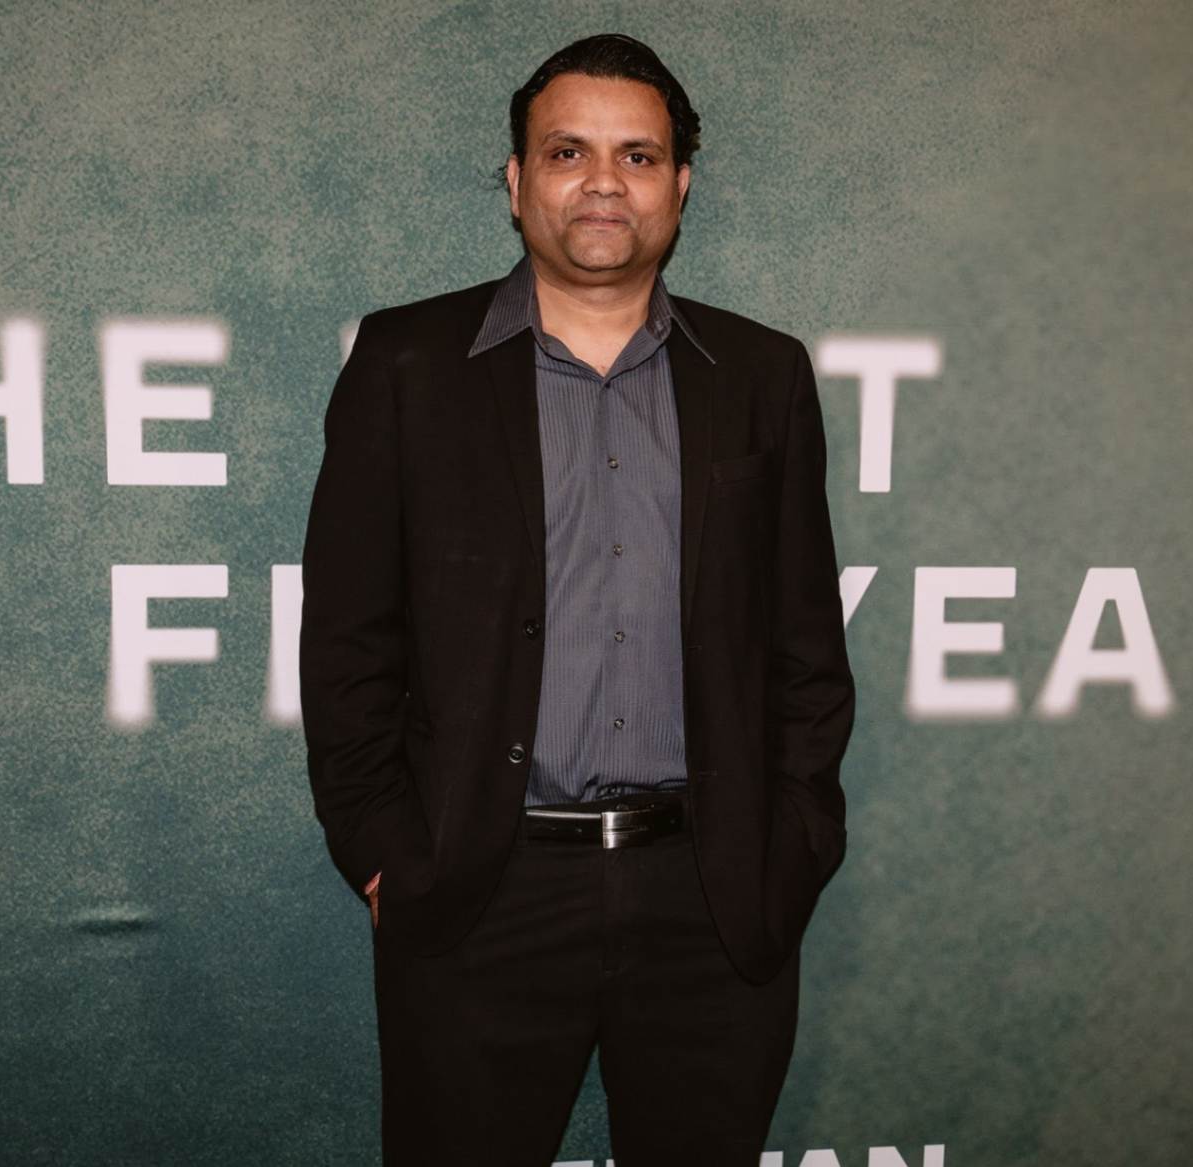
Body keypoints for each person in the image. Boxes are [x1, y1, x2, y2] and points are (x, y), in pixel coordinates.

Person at [299, 32, 856, 1167]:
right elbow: (348, 642)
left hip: (712, 897)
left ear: (679, 186)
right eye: (567, 151)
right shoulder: (405, 365)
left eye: (637, 156)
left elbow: (803, 647)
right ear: (517, 182)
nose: (604, 181)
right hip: (479, 892)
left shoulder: (763, 376)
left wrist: (791, 843)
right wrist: (386, 854)